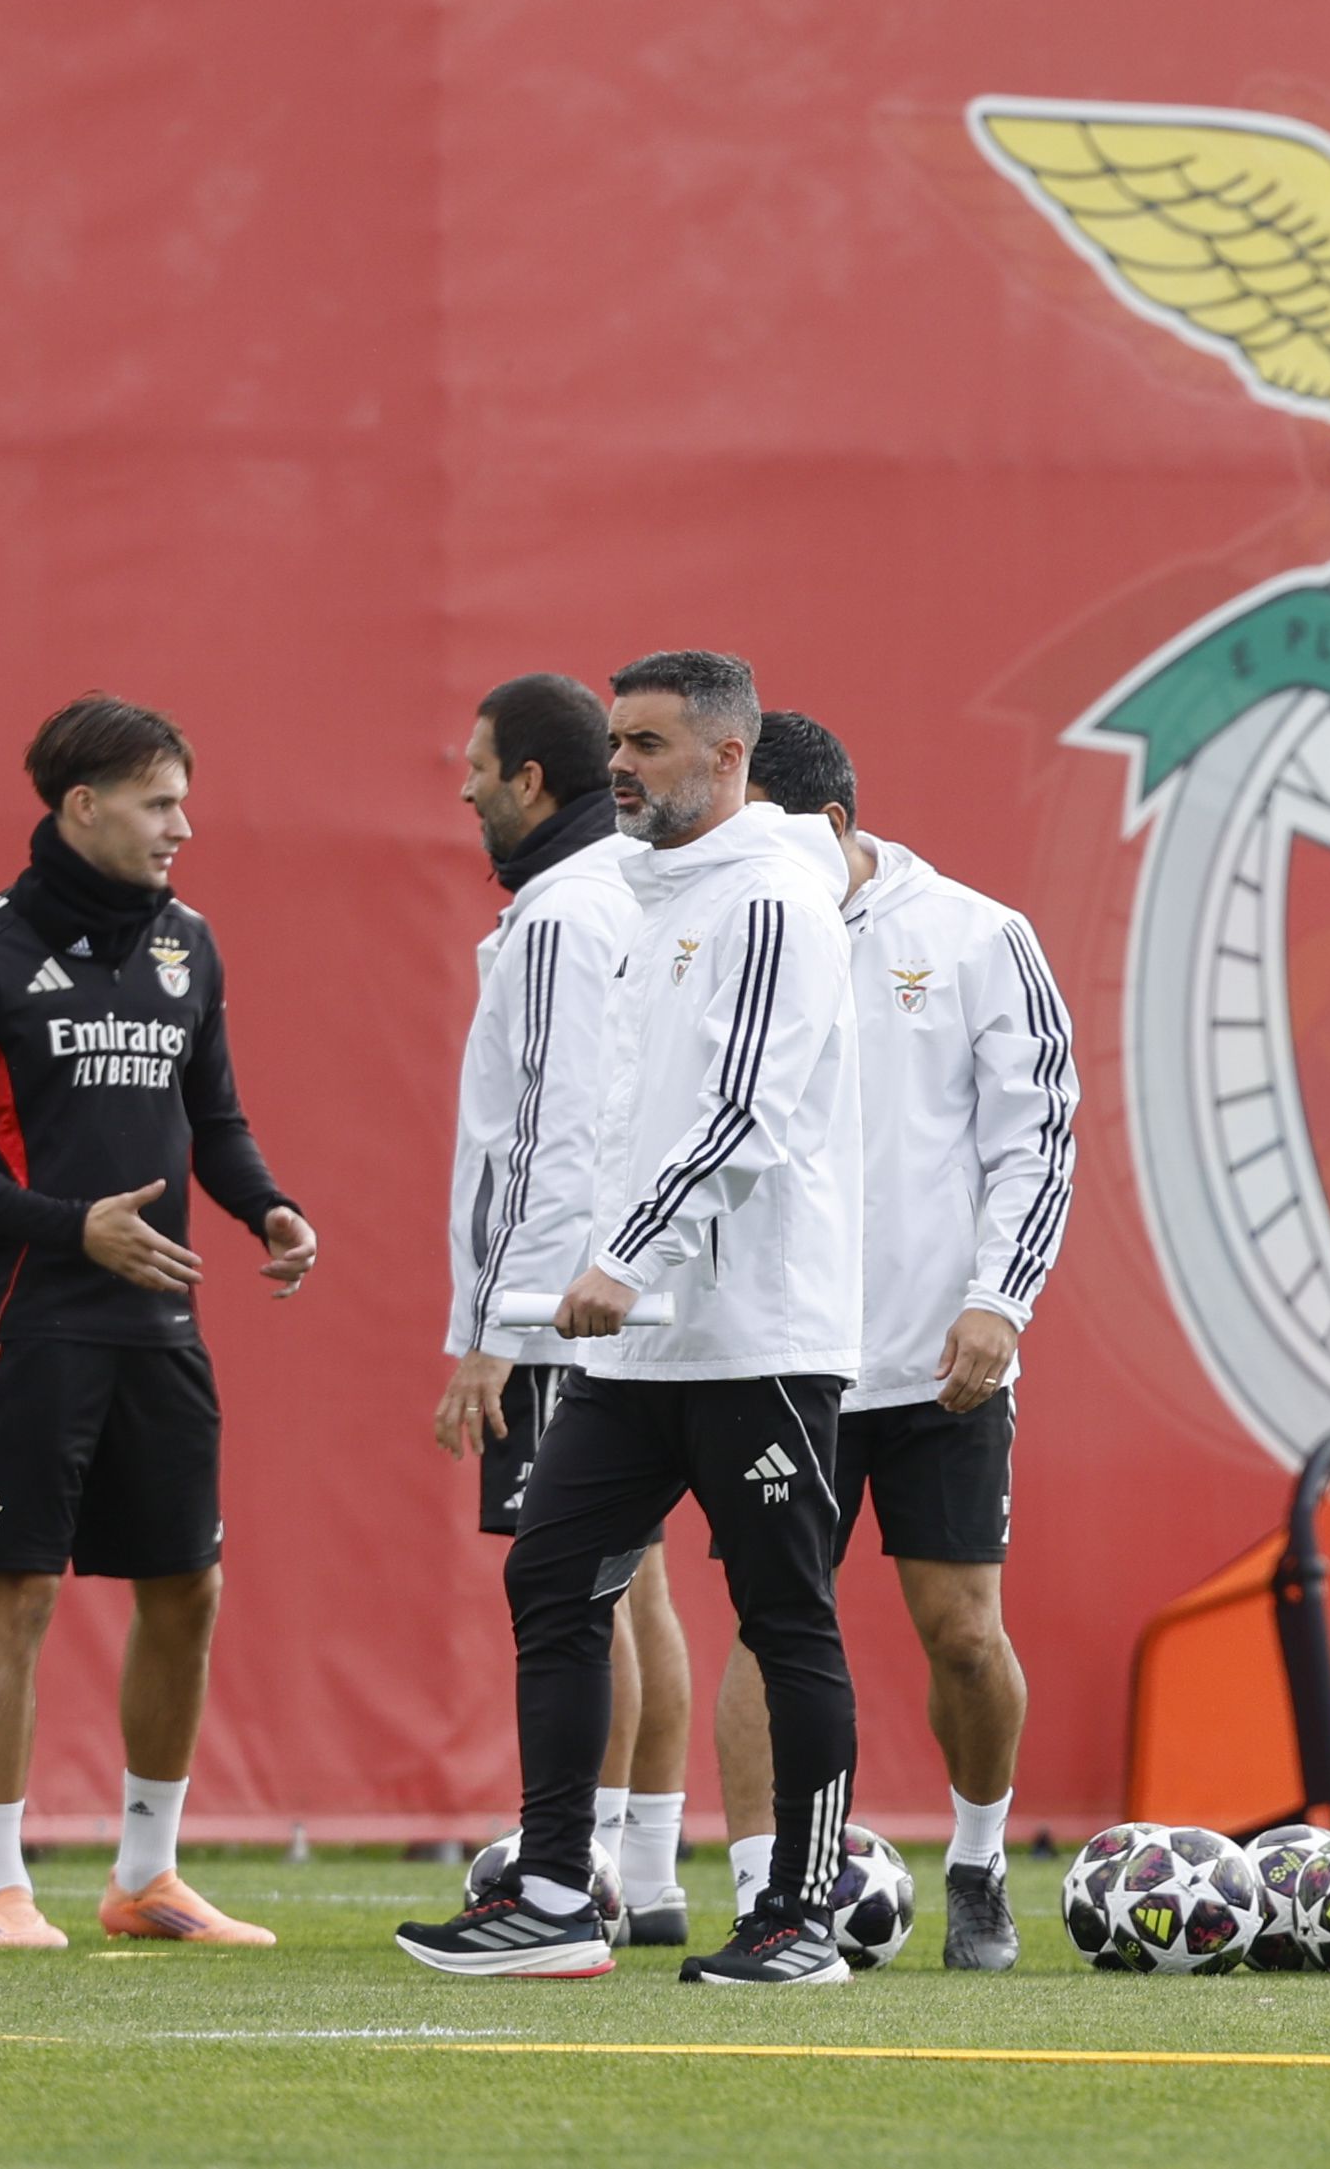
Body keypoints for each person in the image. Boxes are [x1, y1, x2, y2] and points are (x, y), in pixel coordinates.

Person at [397, 650, 865, 1985]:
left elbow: (745, 1114)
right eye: (615, 740)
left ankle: (799, 1917)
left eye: (650, 745)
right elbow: (604, 1113)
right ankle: (553, 1891)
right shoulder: (636, 894)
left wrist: (621, 1251)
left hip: (757, 1330)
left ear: (728, 758)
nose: (622, 766)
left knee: (785, 1616)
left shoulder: (775, 895)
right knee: (551, 1573)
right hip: (636, 1335)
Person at [0, 696, 317, 1951]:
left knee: (189, 1583)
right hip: (37, 1320)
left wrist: (270, 1207)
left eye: (182, 800)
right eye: (158, 802)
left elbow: (217, 1122)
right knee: (18, 1593)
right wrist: (70, 1225)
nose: (183, 826)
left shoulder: (190, 944)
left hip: (163, 1326)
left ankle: (147, 1874)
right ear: (81, 807)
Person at [724, 714, 1076, 1967]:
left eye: (755, 832)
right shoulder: (727, 932)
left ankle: (977, 1862)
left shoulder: (979, 935)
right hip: (779, 1346)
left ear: (827, 826)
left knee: (963, 1633)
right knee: (770, 1623)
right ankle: (762, 1891)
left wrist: (1000, 1299)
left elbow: (1038, 1137)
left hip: (940, 1354)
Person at [434, 671, 694, 1945]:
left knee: (577, 1589)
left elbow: (547, 1134)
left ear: (530, 779)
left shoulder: (561, 912)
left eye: (477, 765)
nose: (465, 786)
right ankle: (641, 1872)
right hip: (617, 1292)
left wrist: (492, 1330)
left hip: (564, 1300)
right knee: (632, 1583)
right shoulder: (628, 894)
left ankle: (574, 1869)